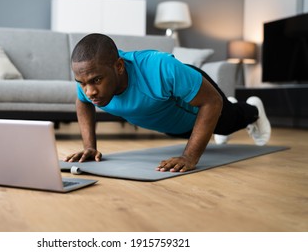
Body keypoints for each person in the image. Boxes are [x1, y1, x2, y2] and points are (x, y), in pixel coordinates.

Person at [64, 33, 271, 173]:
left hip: (200, 102)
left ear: (119, 66)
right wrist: (89, 146)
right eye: (82, 83)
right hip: (174, 124)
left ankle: (253, 109)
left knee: (226, 125)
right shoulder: (87, 78)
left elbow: (211, 102)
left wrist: (189, 157)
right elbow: (83, 102)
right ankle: (230, 107)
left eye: (96, 81)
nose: (89, 91)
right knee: (195, 130)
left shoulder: (160, 68)